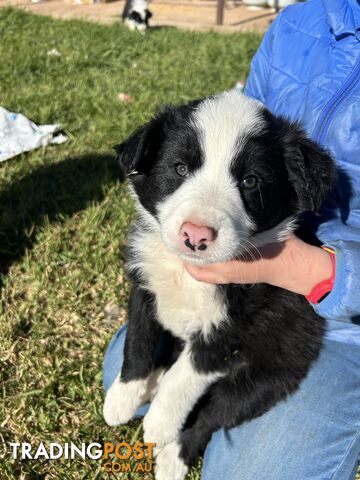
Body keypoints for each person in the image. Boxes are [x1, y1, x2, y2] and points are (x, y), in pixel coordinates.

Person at [103, 0, 360, 478]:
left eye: (248, 183)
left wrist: (311, 270)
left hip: (340, 324)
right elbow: (246, 118)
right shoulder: (301, 21)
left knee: (247, 464)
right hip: (256, 265)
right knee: (121, 374)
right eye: (181, 170)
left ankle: (192, 439)